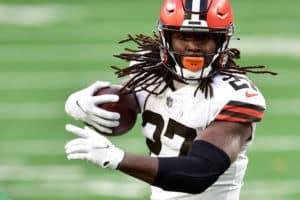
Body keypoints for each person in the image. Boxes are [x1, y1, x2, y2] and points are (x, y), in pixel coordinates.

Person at [64, 0, 276, 199]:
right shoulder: (149, 71)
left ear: (221, 41)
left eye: (203, 38)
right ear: (166, 38)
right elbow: (118, 104)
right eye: (184, 36)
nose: (193, 46)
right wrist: (81, 104)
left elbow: (201, 171)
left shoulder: (234, 94)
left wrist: (118, 159)